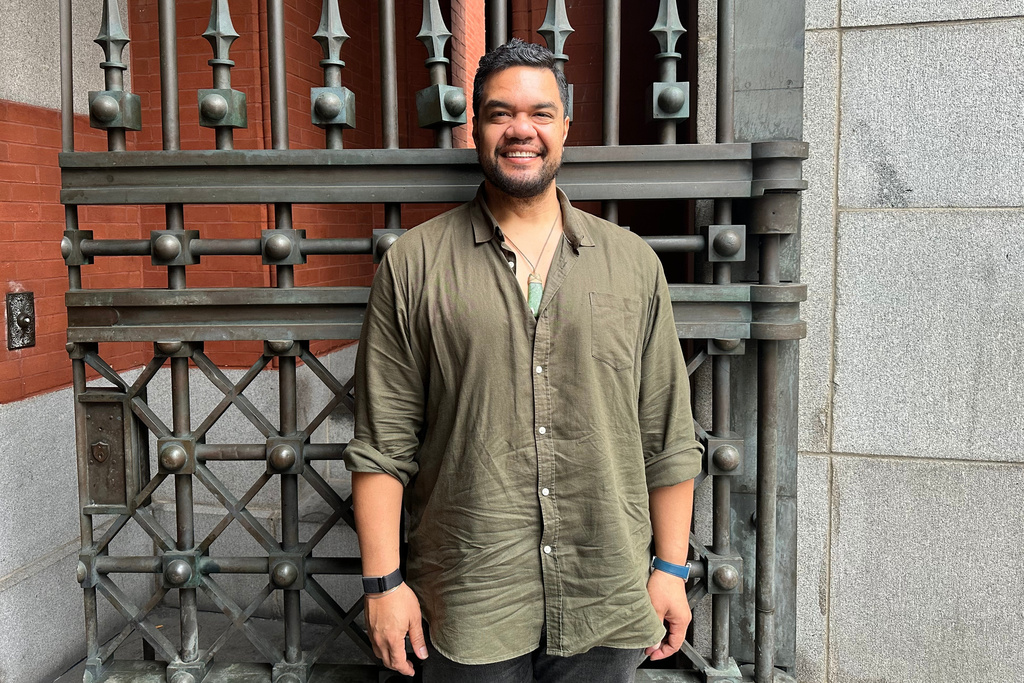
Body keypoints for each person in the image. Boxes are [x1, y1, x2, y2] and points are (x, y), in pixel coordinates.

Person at [343, 38, 703, 683]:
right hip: (468, 597)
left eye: (540, 113)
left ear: (566, 125)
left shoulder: (632, 264)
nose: (521, 130)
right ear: (476, 127)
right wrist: (382, 585)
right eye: (500, 112)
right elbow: (382, 443)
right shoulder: (414, 265)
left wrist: (671, 570)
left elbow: (668, 435)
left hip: (607, 594)